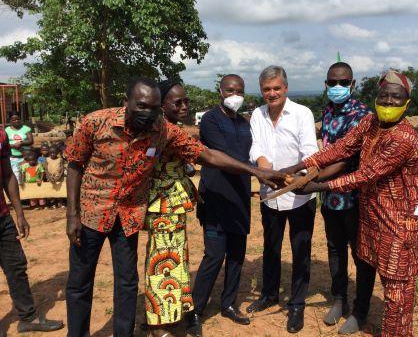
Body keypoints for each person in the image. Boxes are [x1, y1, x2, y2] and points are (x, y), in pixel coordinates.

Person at [64, 77, 284, 337]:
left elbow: (208, 154)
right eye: (141, 106)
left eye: (154, 108)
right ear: (126, 102)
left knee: (126, 283)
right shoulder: (95, 122)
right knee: (80, 283)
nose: (148, 113)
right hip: (92, 213)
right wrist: (72, 214)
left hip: (129, 216)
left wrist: (255, 171)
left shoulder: (164, 130)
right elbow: (75, 165)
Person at [282, 70, 418, 337]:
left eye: (396, 97)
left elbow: (366, 174)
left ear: (407, 101)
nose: (388, 101)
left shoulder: (405, 138)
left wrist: (316, 186)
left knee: (397, 288)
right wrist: (294, 167)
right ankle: (354, 309)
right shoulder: (370, 123)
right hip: (372, 213)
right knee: (365, 261)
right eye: (383, 95)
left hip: (399, 221)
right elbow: (341, 148)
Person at [245, 65, 318, 334]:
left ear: (285, 88)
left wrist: (288, 175)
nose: (272, 93)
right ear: (262, 91)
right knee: (271, 248)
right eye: (267, 89)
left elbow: (311, 153)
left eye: (276, 88)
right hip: (270, 195)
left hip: (299, 196)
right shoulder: (257, 114)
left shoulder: (302, 113)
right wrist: (266, 171)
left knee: (300, 251)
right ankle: (269, 294)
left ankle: (297, 303)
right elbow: (256, 147)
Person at [189, 74, 252, 336]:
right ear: (220, 92)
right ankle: (194, 310)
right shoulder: (211, 121)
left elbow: (251, 150)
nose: (234, 95)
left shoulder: (245, 123)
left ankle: (228, 303)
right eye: (230, 90)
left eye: (239, 91)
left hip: (240, 197)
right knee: (214, 255)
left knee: (236, 255)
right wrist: (258, 170)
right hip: (216, 196)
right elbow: (224, 155)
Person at [317, 62, 375, 334]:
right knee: (334, 248)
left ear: (353, 84)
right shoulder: (328, 110)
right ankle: (339, 299)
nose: (337, 87)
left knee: (361, 254)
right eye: (332, 82)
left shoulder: (363, 115)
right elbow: (326, 148)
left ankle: (360, 310)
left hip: (354, 196)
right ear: (326, 84)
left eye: (343, 82)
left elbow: (346, 158)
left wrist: (312, 182)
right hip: (330, 199)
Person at [144, 80, 197, 337]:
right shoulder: (163, 131)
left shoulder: (170, 128)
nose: (184, 106)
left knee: (174, 260)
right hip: (163, 205)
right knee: (162, 262)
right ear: (162, 105)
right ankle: (158, 326)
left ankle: (169, 316)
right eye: (178, 102)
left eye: (186, 101)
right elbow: (204, 155)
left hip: (172, 204)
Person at [0, 127, 63, 337]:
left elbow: (7, 174)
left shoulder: (0, 135)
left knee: (16, 267)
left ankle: (27, 318)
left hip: (2, 218)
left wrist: (19, 213)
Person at [5, 113, 33, 181]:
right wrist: (12, 146)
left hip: (25, 158)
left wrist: (21, 143)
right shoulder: (7, 130)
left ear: (20, 119)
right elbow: (4, 143)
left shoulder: (26, 128)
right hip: (12, 158)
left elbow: (31, 141)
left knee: (28, 178)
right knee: (15, 178)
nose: (16, 121)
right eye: (13, 120)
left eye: (18, 119)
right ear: (10, 120)